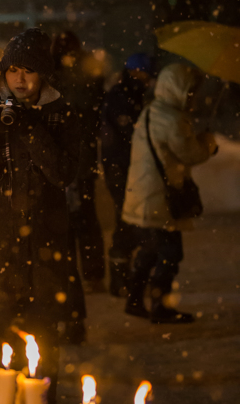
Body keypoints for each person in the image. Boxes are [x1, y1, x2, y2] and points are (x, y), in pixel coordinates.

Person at [0, 27, 81, 404]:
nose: (20, 79)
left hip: (45, 242)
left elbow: (63, 173)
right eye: (13, 70)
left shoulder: (60, 112)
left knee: (44, 332)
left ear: (43, 73)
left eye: (29, 70)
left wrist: (32, 130)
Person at [122, 62, 217, 324]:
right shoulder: (173, 119)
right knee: (170, 254)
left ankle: (134, 298)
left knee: (149, 250)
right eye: (190, 91)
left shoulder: (151, 112)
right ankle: (160, 306)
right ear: (178, 90)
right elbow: (191, 153)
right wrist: (208, 144)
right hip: (159, 199)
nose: (193, 96)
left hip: (142, 195)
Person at [50, 30, 106, 293]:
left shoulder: (56, 77)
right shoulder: (86, 74)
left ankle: (70, 274)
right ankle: (88, 274)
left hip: (69, 159)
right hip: (78, 158)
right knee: (83, 218)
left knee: (70, 219)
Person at [100, 53, 156, 296]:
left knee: (130, 221)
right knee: (127, 221)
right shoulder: (122, 97)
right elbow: (124, 137)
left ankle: (124, 278)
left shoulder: (131, 95)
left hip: (126, 168)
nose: (149, 80)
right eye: (146, 74)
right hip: (123, 169)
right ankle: (121, 279)